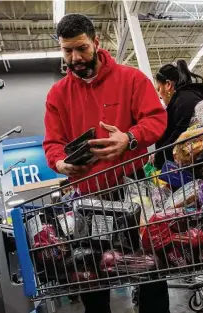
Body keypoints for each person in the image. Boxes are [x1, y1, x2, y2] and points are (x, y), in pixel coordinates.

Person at [42, 13, 168, 313]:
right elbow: (52, 144)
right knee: (91, 272)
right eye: (67, 50)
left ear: (96, 43)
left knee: (150, 266)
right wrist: (61, 164)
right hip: (88, 197)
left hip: (133, 188)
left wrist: (130, 137)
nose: (75, 57)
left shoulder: (131, 78)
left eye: (81, 48)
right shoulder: (58, 95)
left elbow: (156, 118)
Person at [152, 60, 203, 169]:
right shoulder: (194, 94)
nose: (159, 95)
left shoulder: (182, 101)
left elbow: (180, 133)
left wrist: (158, 157)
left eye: (158, 89)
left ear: (168, 85)